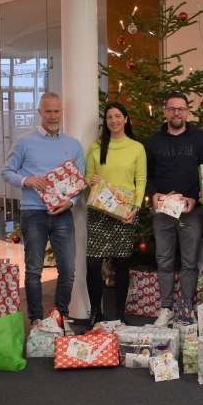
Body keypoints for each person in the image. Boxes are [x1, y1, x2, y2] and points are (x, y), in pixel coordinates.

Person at [1, 92, 85, 326]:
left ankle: (61, 316)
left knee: (68, 270)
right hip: (33, 213)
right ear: (39, 112)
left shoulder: (73, 144)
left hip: (63, 214)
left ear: (61, 112)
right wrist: (25, 181)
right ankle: (37, 320)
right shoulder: (24, 141)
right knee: (34, 271)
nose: (52, 116)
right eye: (47, 111)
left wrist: (71, 202)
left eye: (56, 111)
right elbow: (6, 172)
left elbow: (79, 183)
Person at [145, 91, 203, 327]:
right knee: (163, 260)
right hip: (162, 212)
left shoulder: (200, 138)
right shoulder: (153, 142)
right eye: (172, 109)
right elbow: (148, 175)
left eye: (181, 109)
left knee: (189, 262)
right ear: (165, 112)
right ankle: (166, 309)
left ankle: (185, 308)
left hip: (190, 211)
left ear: (187, 112)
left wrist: (195, 199)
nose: (176, 113)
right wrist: (153, 195)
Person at [80, 102, 146, 333]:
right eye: (109, 117)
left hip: (125, 214)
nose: (113, 120)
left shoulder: (137, 148)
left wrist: (135, 208)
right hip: (99, 212)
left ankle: (120, 311)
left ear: (126, 119)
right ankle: (96, 312)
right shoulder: (96, 146)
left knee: (122, 264)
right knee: (93, 264)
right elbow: (89, 175)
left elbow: (141, 181)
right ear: (105, 121)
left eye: (118, 116)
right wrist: (91, 181)